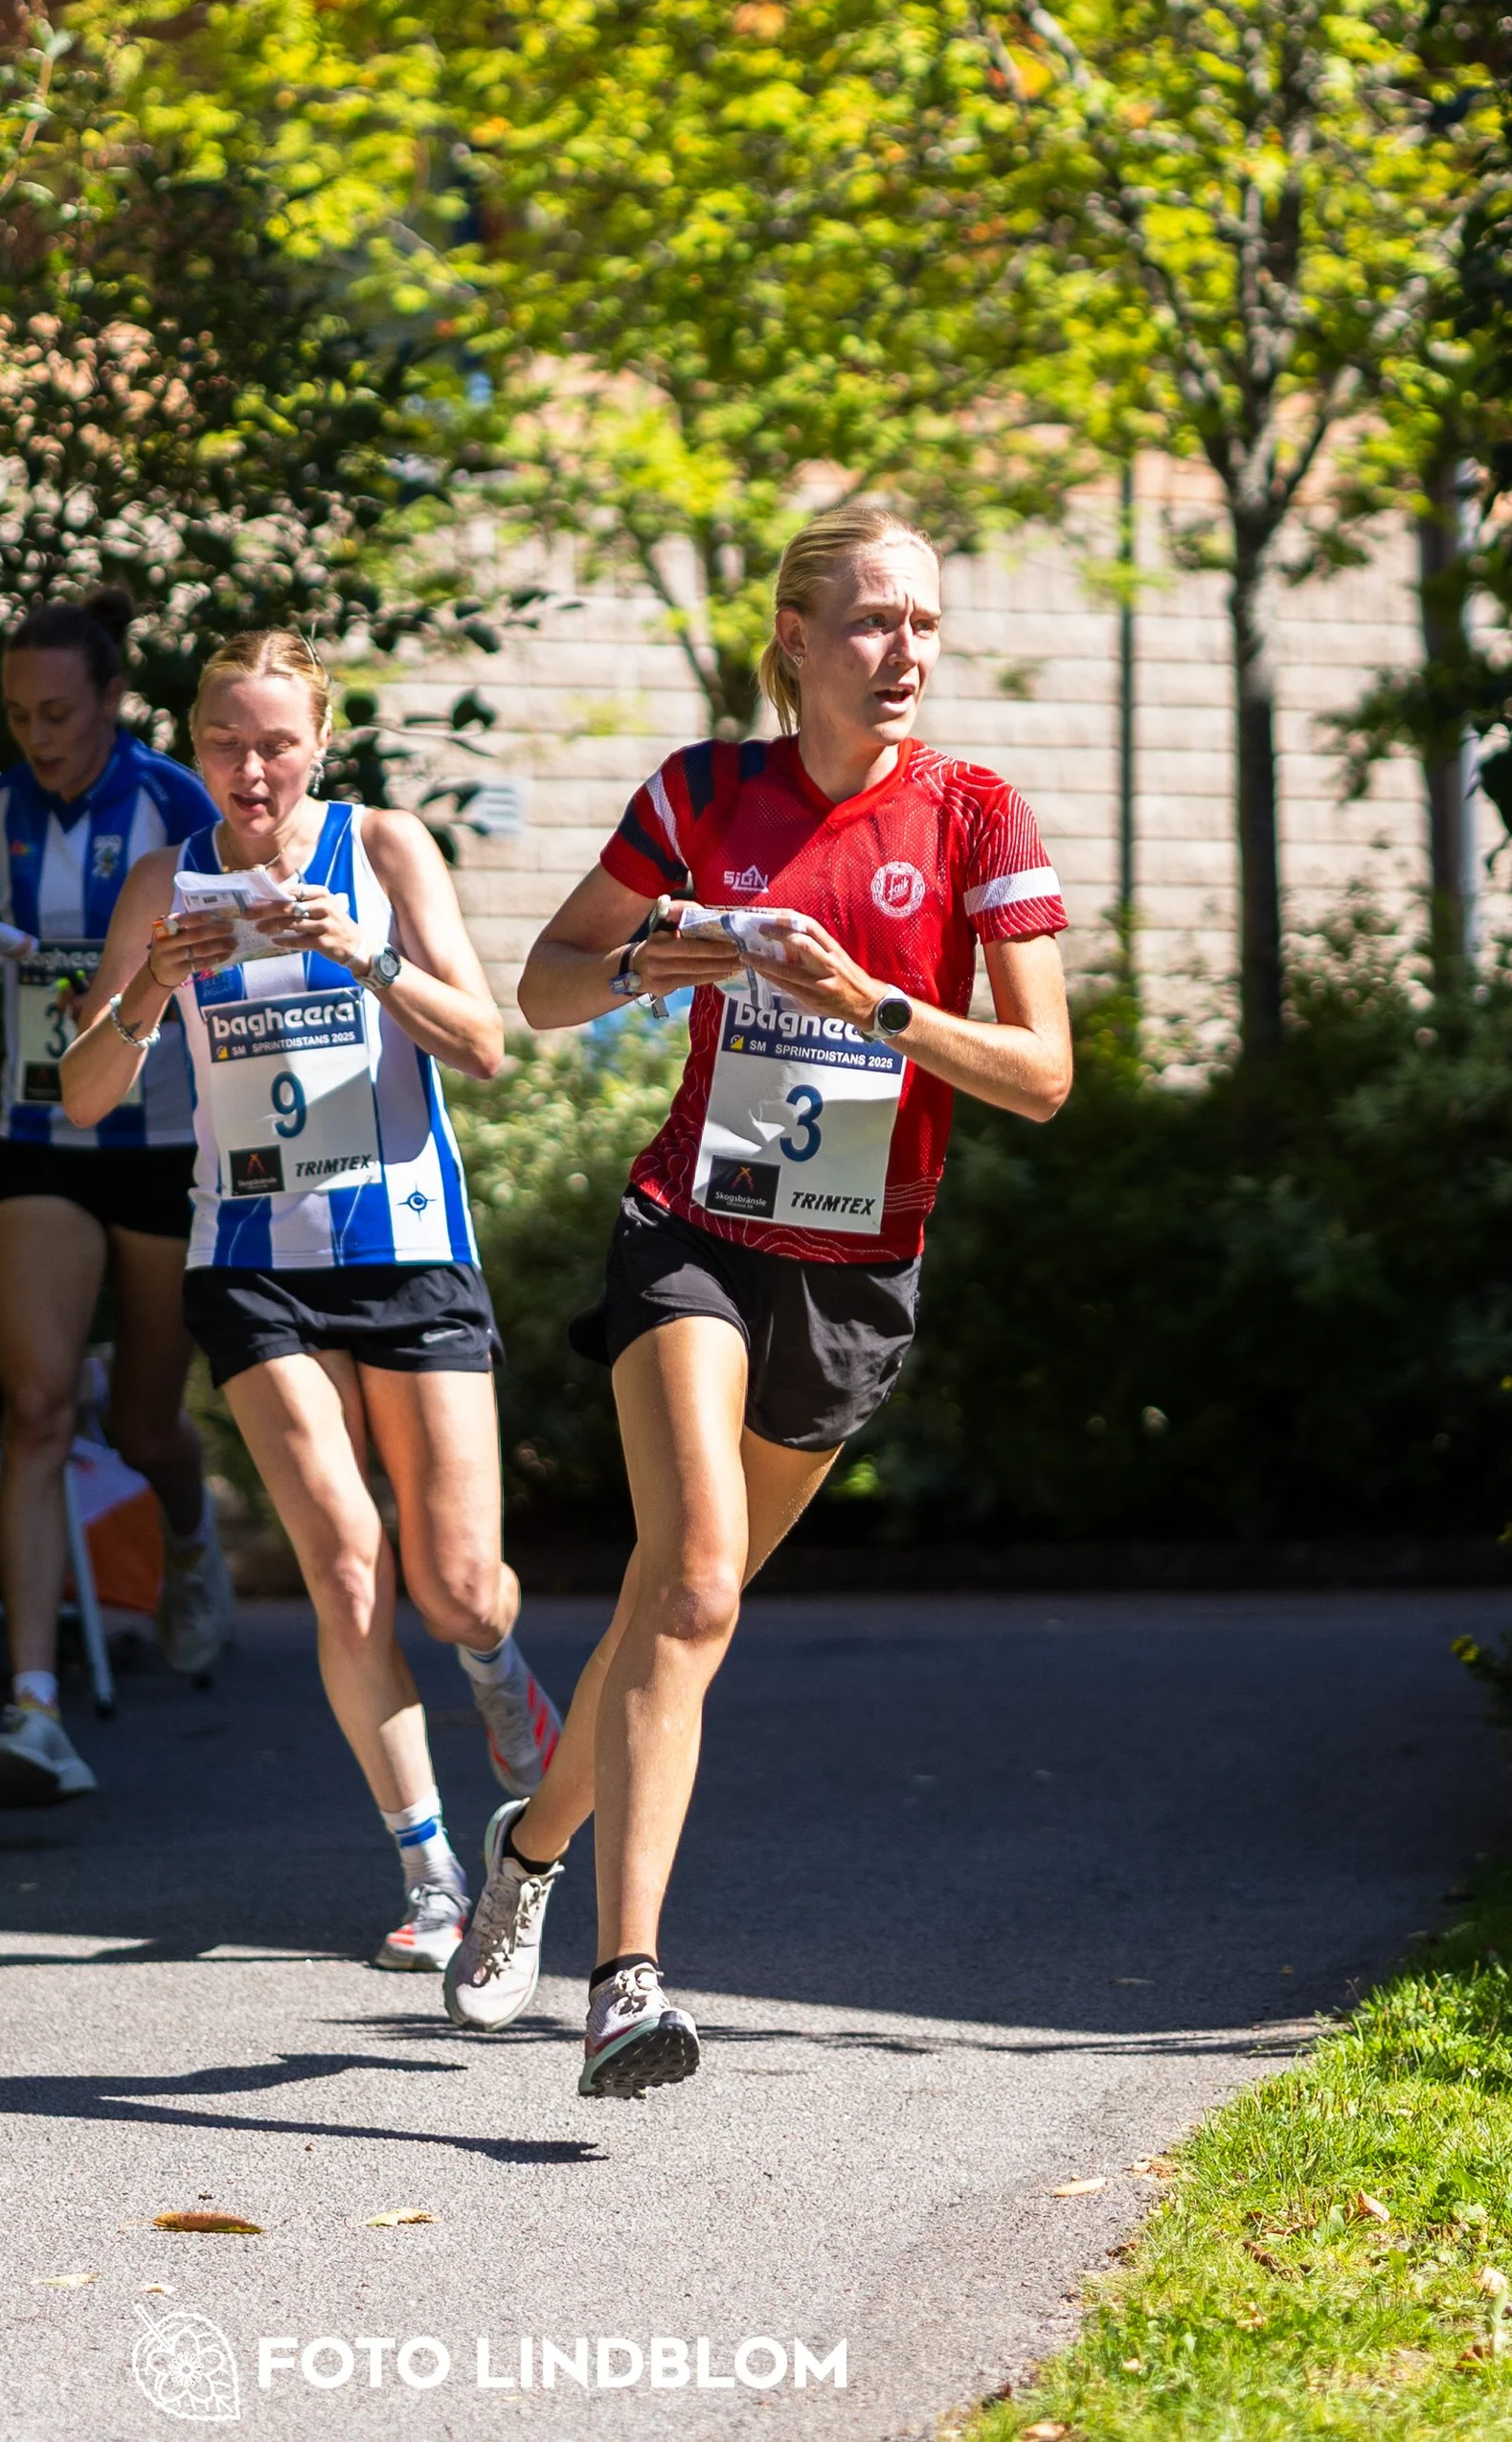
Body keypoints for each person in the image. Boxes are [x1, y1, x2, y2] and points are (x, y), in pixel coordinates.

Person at [439, 497, 1074, 2096]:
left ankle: (523, 1856)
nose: (905, 649)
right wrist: (679, 955)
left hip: (856, 1274)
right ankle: (627, 1985)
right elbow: (547, 982)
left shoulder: (979, 816)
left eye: (925, 621)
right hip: (695, 1233)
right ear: (794, 638)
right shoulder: (704, 793)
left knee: (677, 1609)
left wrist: (872, 1004)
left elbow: (1045, 1075)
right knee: (703, 1586)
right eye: (871, 621)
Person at [59, 630, 564, 1972]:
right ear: (194, 746)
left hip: (405, 1249)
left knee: (457, 1586)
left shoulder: (387, 851)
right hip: (251, 1259)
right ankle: (434, 1870)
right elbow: (84, 1093)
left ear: (320, 743)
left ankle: (500, 1673)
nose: (250, 767)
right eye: (224, 741)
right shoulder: (166, 880)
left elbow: (490, 1045)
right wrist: (154, 983)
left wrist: (364, 954)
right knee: (346, 1562)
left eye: (276, 741)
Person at [0, 592, 237, 1810]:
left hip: (161, 1139)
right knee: (40, 1404)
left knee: (145, 1421)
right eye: (16, 712)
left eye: (57, 710)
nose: (36, 733)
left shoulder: (174, 806)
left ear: (110, 701)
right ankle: (36, 1708)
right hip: (39, 1133)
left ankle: (190, 1539)